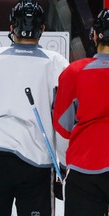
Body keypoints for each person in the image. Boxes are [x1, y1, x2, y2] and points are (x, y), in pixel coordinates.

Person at [0, 0, 69, 215]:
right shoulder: (57, 64)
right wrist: (64, 162)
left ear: (11, 28)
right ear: (43, 30)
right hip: (37, 162)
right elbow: (63, 120)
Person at [53, 8, 109, 216]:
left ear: (94, 35)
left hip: (84, 168)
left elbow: (62, 129)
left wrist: (64, 165)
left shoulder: (74, 73)